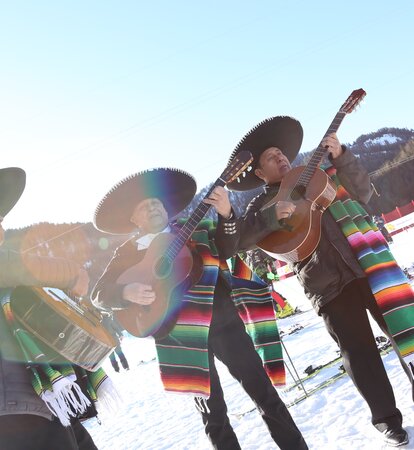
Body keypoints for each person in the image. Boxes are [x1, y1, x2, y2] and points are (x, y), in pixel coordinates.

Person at [227, 116, 414, 448]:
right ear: (259, 173)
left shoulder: (320, 175)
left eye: (282, 153)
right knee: (358, 353)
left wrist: (342, 155)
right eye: (272, 157)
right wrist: (273, 216)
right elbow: (241, 239)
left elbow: (363, 192)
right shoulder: (260, 206)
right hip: (325, 283)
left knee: (407, 327)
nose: (281, 157)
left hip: (368, 264)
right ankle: (386, 419)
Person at [91, 167, 308, 450]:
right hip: (180, 338)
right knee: (213, 415)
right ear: (133, 218)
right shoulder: (126, 254)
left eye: (156, 202)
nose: (153, 208)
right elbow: (98, 295)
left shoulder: (196, 229)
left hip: (224, 323)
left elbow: (231, 245)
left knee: (264, 394)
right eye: (145, 206)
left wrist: (227, 214)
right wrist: (125, 291)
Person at [0, 167, 98, 450]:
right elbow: (12, 264)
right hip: (14, 412)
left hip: (40, 399)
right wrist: (69, 272)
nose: (2, 228)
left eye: (2, 218)